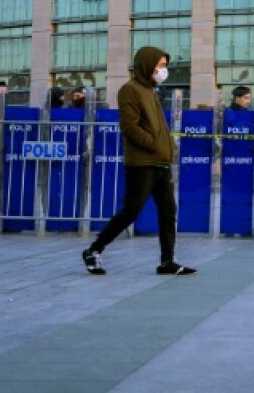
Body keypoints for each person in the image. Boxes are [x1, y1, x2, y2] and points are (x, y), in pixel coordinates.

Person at [82, 46, 194, 276]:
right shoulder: (130, 90)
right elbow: (130, 127)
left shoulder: (152, 91)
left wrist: (165, 147)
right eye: (161, 65)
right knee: (131, 212)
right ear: (147, 64)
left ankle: (167, 261)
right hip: (143, 163)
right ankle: (94, 249)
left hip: (161, 163)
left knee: (168, 212)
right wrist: (155, 144)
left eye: (165, 66)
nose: (164, 70)